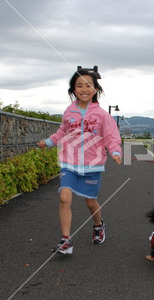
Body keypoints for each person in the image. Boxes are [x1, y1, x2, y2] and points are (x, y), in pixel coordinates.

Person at [37, 69, 122, 254]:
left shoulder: (102, 115)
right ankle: (66, 240)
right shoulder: (69, 112)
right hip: (69, 162)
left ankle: (98, 225)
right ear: (73, 90)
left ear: (95, 89)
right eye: (79, 85)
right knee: (64, 197)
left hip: (92, 165)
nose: (84, 89)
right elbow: (62, 132)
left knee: (90, 203)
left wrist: (115, 151)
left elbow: (111, 137)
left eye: (88, 85)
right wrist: (49, 142)